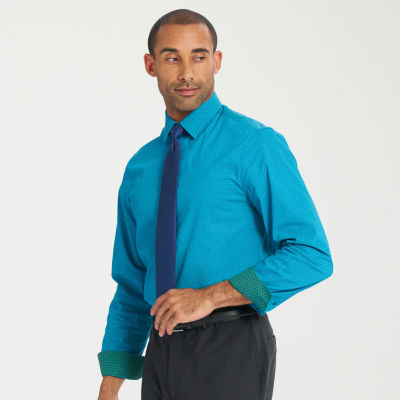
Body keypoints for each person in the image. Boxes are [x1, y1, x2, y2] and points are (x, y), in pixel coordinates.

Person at [97, 8, 333, 400]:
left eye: (199, 57)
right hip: (161, 350)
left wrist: (209, 296)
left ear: (217, 62)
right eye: (172, 58)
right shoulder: (140, 168)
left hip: (230, 345)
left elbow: (312, 254)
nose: (186, 73)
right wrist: (110, 385)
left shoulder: (255, 145)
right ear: (151, 65)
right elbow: (132, 283)